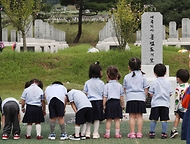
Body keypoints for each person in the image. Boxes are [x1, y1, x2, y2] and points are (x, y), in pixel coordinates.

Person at [123, 57, 149, 139]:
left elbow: (125, 88)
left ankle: (132, 133)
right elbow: (146, 89)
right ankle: (139, 133)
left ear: (129, 67)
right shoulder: (143, 77)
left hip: (130, 98)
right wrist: (145, 97)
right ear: (140, 66)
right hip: (140, 98)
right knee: (139, 116)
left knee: (131, 117)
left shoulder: (127, 77)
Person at [148, 63, 173, 139]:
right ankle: (164, 133)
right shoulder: (168, 83)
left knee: (154, 119)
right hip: (165, 104)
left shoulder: (153, 82)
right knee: (164, 119)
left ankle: (152, 132)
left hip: (155, 104)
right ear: (165, 72)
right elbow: (170, 93)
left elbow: (151, 94)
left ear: (155, 73)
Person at [83, 61, 105, 139]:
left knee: (89, 118)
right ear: (99, 72)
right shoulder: (101, 83)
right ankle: (95, 133)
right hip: (99, 102)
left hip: (89, 102)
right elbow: (103, 94)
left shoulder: (87, 82)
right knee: (97, 118)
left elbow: (85, 93)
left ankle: (87, 132)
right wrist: (104, 104)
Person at [103, 65, 124, 139]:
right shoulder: (120, 85)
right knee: (117, 119)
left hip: (109, 103)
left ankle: (107, 134)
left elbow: (105, 96)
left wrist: (103, 105)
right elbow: (121, 96)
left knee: (108, 119)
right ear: (117, 75)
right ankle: (117, 134)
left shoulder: (106, 86)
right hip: (117, 103)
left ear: (107, 75)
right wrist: (122, 104)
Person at [170, 69, 189, 138]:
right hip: (188, 107)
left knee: (177, 116)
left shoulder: (178, 88)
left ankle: (174, 130)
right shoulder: (188, 87)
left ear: (178, 79)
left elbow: (177, 100)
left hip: (181, 107)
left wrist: (175, 109)